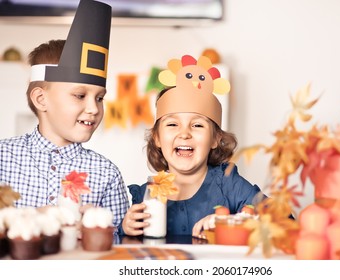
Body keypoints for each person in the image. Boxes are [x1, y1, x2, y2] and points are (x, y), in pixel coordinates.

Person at [0, 0, 129, 236]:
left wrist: (98, 230)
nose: (93, 108)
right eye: (80, 95)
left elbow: (119, 244)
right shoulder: (3, 158)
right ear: (41, 99)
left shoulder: (106, 173)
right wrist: (37, 217)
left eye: (99, 98)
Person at [120, 54, 261, 237]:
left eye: (197, 125)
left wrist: (230, 222)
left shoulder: (228, 185)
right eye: (172, 124)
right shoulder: (143, 197)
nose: (184, 133)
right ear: (157, 138)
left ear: (215, 139)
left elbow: (282, 218)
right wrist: (125, 228)